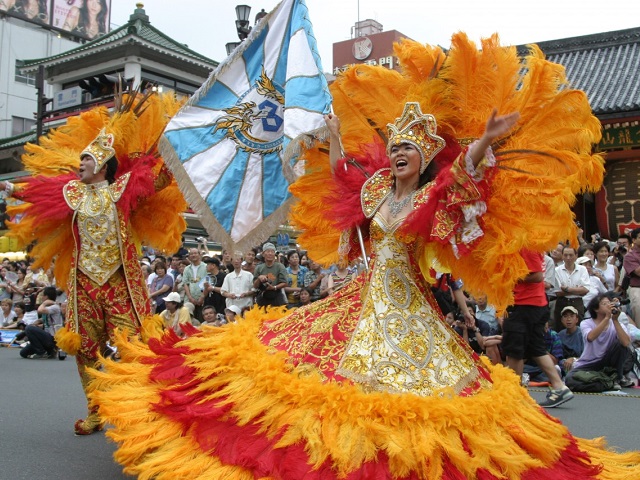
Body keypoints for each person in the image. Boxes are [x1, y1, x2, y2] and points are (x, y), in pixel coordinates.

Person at [91, 36, 638, 478]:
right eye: (396, 148)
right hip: (363, 297)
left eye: (411, 151)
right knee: (314, 374)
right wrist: (331, 140)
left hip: (408, 308)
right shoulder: (376, 193)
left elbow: (461, 177)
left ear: (424, 163)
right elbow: (338, 181)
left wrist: (481, 142)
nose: (400, 155)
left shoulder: (429, 198)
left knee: (407, 396)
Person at [0, 92, 186, 435]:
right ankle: (96, 410)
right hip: (84, 284)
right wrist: (10, 187)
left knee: (134, 348)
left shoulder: (122, 190)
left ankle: (140, 410)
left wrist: (173, 150)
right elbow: (38, 193)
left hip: (120, 284)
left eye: (84, 161)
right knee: (85, 349)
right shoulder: (72, 192)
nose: (79, 165)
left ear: (100, 165)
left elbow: (157, 182)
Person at [502, 249, 573, 406]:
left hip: (524, 305)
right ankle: (559, 386)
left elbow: (537, 275)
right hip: (533, 304)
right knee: (536, 348)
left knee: (515, 351)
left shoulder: (525, 246)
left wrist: (508, 277)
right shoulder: (524, 244)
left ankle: (515, 395)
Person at [565, 293, 634, 391]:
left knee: (620, 345)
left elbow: (626, 343)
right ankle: (607, 383)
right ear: (596, 309)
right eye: (604, 303)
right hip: (589, 364)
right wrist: (606, 318)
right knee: (570, 379)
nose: (608, 305)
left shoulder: (617, 324)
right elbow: (591, 337)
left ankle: (615, 378)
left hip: (608, 363)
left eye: (609, 303)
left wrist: (614, 320)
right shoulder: (586, 323)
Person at [253, 242, 287, 308]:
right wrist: (259, 278)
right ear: (263, 254)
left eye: (272, 251)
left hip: (277, 296)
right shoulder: (258, 268)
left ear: (275, 254)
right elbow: (255, 285)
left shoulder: (280, 266)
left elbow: (285, 283)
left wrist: (274, 287)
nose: (270, 253)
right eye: (268, 251)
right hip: (263, 296)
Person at [557, 306, 585, 375]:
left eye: (572, 316)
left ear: (577, 319)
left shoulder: (582, 333)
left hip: (579, 362)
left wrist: (573, 359)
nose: (568, 319)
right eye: (565, 316)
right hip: (563, 363)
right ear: (561, 320)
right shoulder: (560, 335)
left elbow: (586, 355)